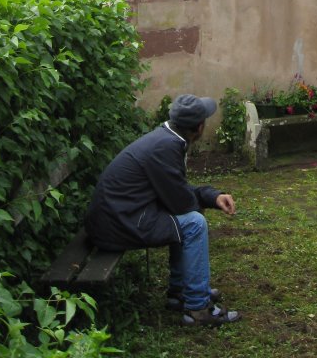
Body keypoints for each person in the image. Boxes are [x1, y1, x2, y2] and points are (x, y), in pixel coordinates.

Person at [84, 93, 240, 326]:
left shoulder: (166, 138)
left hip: (119, 217)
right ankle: (197, 307)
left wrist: (213, 196)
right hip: (118, 223)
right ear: (199, 127)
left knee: (187, 217)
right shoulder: (166, 147)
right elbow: (182, 202)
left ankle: (180, 291)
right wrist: (204, 200)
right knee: (194, 223)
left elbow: (179, 192)